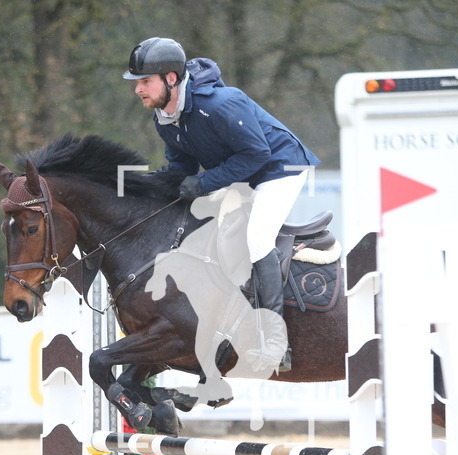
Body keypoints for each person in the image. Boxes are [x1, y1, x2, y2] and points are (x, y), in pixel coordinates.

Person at [123, 36, 320, 374]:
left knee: (257, 239)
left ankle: (275, 340)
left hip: (280, 168)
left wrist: (203, 183)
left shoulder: (219, 104)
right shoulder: (166, 118)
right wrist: (142, 187)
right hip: (244, 176)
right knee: (204, 235)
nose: (138, 89)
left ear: (170, 79)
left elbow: (257, 154)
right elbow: (181, 170)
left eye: (145, 81)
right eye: (137, 82)